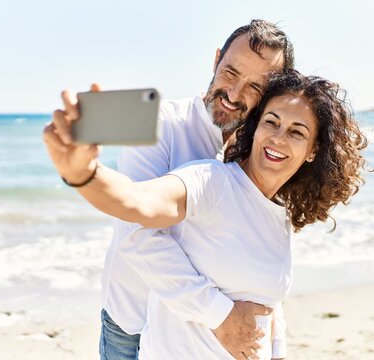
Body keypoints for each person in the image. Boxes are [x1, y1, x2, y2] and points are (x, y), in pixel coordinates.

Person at [43, 70, 368, 359]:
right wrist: (83, 173)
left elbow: (268, 303)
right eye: (272, 122)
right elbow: (137, 203)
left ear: (313, 151)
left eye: (297, 132)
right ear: (255, 128)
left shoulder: (277, 212)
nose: (279, 138)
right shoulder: (211, 181)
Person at [45, 20, 295, 360]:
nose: (234, 95)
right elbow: (139, 233)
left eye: (255, 87)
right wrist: (84, 173)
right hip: (133, 326)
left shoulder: (265, 153)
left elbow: (261, 249)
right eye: (230, 73)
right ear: (216, 60)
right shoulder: (162, 125)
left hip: (202, 341)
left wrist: (275, 344)